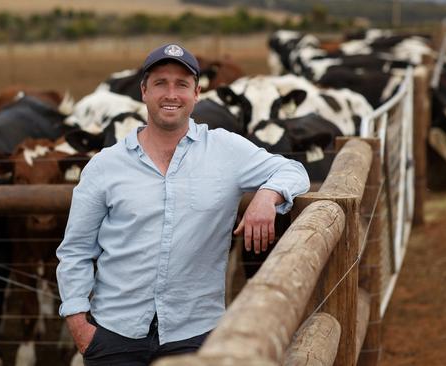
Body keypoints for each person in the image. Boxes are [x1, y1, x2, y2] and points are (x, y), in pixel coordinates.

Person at [56, 43, 310, 366]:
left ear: (197, 93)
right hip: (114, 336)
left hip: (196, 334)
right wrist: (80, 326)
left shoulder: (224, 150)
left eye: (182, 84)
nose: (171, 94)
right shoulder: (104, 166)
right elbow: (75, 251)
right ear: (144, 91)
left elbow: (293, 170)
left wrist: (267, 194)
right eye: (160, 83)